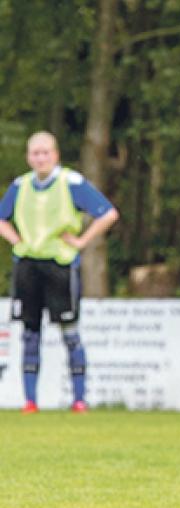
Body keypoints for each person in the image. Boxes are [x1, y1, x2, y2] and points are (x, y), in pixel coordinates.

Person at [0, 131, 120, 414]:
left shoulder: (71, 182)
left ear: (55, 155)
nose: (40, 158)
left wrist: (82, 242)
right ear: (29, 157)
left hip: (60, 265)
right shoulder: (21, 186)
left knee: (69, 331)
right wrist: (17, 241)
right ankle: (30, 401)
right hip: (28, 264)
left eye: (45, 152)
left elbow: (108, 213)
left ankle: (79, 400)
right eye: (35, 153)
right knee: (30, 333)